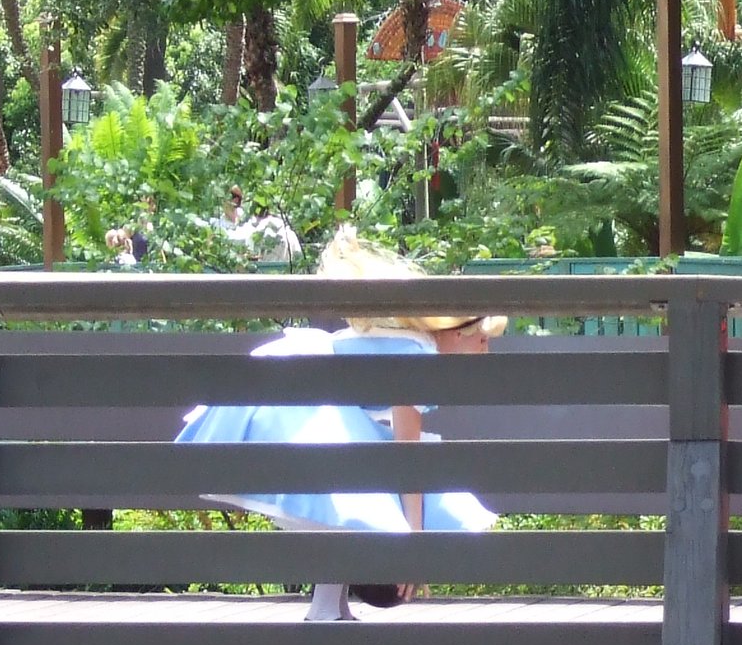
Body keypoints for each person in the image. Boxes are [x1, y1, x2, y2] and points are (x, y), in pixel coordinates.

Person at [175, 226, 505, 620]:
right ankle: (326, 609)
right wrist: (413, 547)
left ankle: (328, 608)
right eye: (482, 339)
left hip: (307, 393)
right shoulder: (418, 357)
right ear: (458, 335)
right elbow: (408, 461)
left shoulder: (415, 347)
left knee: (353, 499)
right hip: (296, 395)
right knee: (350, 500)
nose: (485, 351)